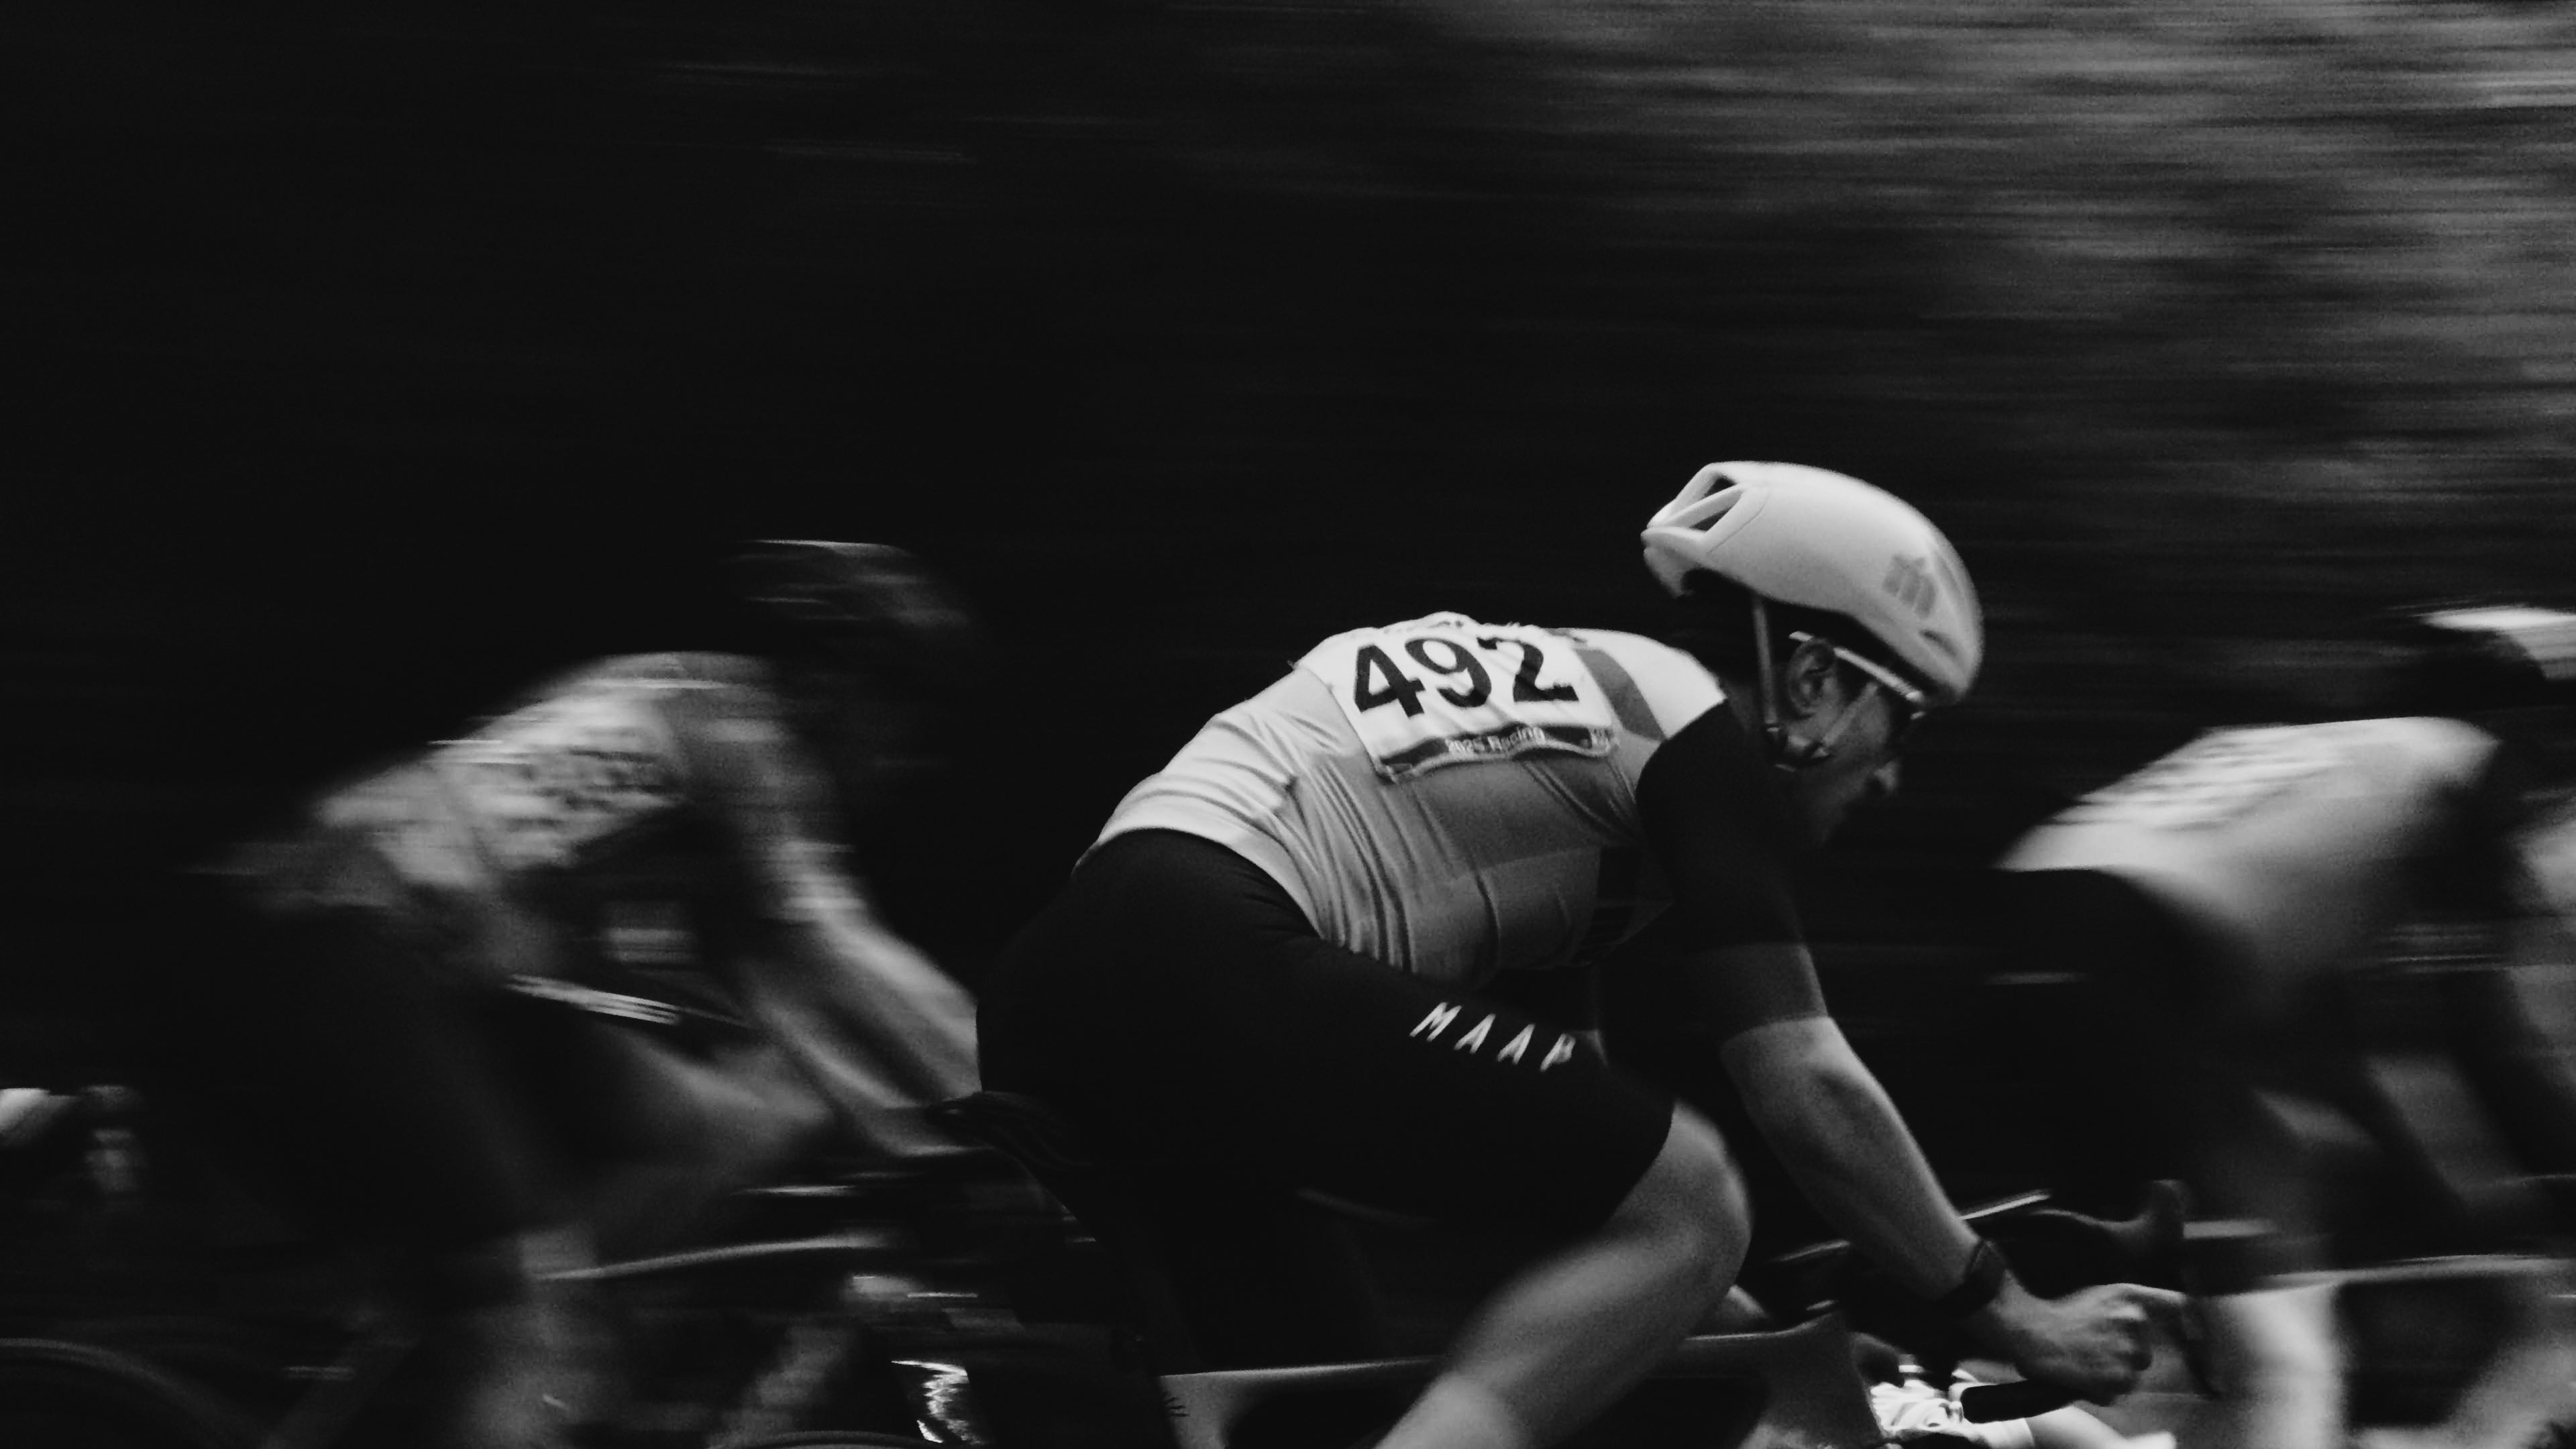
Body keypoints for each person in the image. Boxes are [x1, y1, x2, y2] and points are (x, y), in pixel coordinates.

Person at [978, 462, 2182, 1449]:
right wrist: (2009, 1311)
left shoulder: (1571, 768)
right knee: (1701, 1186)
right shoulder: (1698, 734)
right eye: (1901, 718)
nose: (1896, 768)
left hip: (1081, 971)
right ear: (1813, 677)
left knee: (1310, 1409)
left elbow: (1577, 1175)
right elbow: (1803, 1084)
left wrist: (1759, 1333)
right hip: (1219, 949)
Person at [192, 541, 985, 1449]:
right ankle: (534, 1363)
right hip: (331, 945)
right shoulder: (734, 734)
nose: (903, 762)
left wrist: (915, 1142)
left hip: (416, 966)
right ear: (840, 691)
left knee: (732, 1122)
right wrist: (1007, 1096)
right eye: (905, 728)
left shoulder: (690, 721)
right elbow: (835, 946)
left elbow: (791, 1010)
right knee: (529, 1328)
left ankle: (572, 1383)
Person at [1996, 603, 2576, 1449]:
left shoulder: (2337, 767)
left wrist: (2475, 1194)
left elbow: (2366, 1050)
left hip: (2047, 923)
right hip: (2144, 963)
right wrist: (2537, 1196)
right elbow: (2476, 1031)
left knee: (2268, 1231)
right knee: (2289, 1362)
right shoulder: (2462, 766)